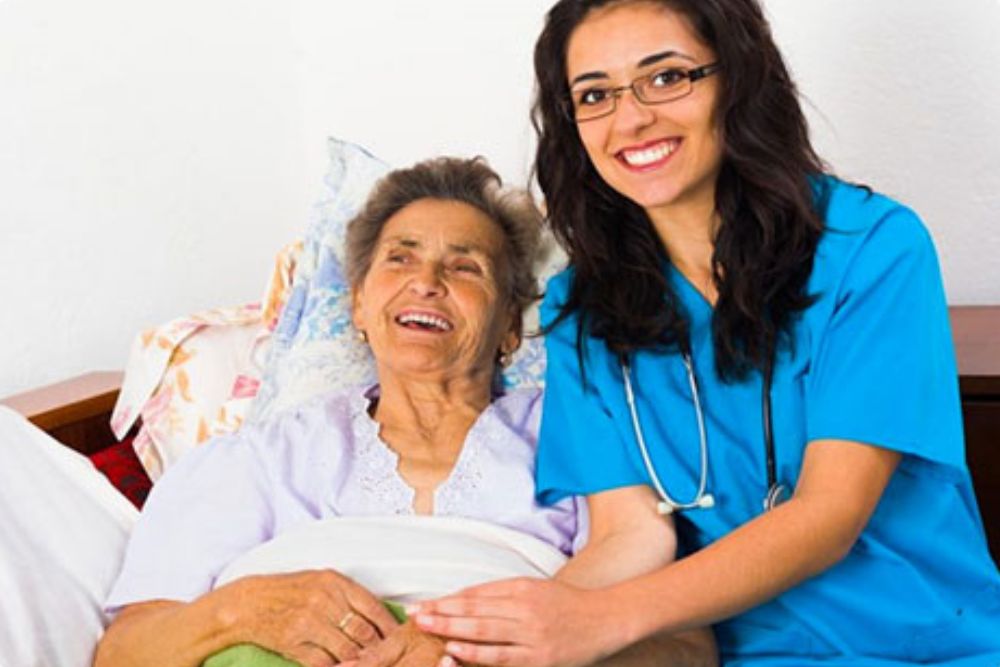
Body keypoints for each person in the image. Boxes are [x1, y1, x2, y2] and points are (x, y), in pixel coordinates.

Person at [409, 2, 1000, 666]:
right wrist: (466, 639)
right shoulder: (583, 307)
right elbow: (631, 536)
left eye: (666, 77)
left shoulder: (873, 251)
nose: (630, 119)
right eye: (595, 94)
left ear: (739, 80)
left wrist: (597, 620)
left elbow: (828, 516)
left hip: (913, 646)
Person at [93, 156, 715, 667]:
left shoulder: (585, 441)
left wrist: (492, 645)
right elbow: (124, 653)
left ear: (507, 327)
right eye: (400, 258)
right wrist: (239, 610)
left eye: (464, 267)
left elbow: (687, 647)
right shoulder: (258, 457)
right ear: (359, 307)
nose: (427, 282)